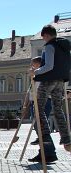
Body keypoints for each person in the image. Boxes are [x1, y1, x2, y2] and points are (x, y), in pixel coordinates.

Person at [30, 24, 71, 164]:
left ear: (46, 35)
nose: (43, 40)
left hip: (48, 80)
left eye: (43, 37)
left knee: (38, 108)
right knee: (58, 109)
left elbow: (48, 66)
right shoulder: (64, 47)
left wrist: (34, 72)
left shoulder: (49, 46)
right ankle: (66, 138)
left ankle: (45, 135)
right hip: (61, 81)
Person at [28, 57, 53, 145]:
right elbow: (32, 89)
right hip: (34, 101)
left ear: (38, 64)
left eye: (33, 64)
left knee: (40, 121)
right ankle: (40, 137)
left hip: (43, 101)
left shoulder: (44, 73)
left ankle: (45, 139)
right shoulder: (36, 75)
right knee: (35, 121)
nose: (31, 67)